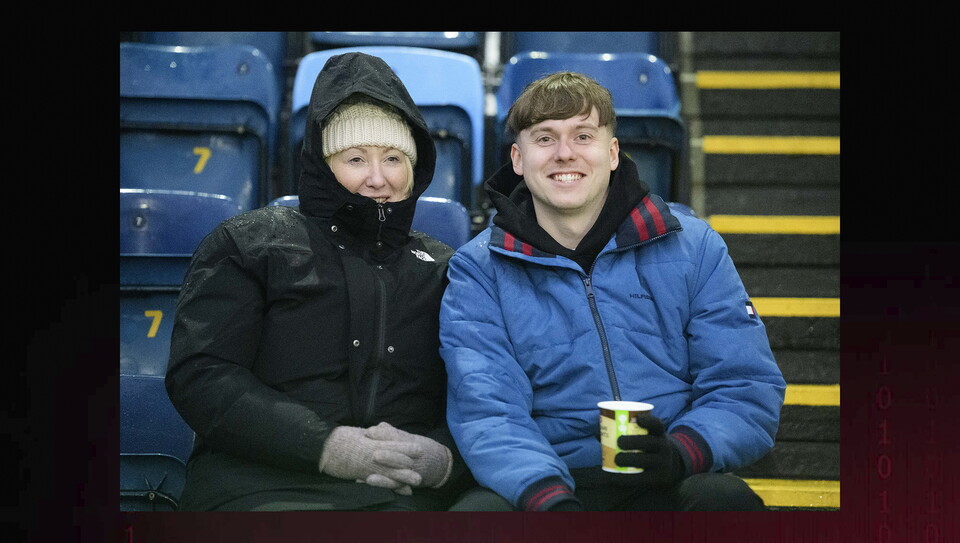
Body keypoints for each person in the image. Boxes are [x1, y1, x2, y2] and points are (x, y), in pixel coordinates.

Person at [439, 72, 786, 511]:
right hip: (546, 483)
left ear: (613, 152)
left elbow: (744, 384)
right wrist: (549, 500)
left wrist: (682, 452)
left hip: (671, 473)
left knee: (724, 501)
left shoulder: (695, 247)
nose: (565, 153)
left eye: (583, 135)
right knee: (477, 517)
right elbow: (487, 410)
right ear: (518, 159)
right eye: (544, 139)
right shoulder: (478, 268)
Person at [165, 52, 471, 511]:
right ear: (322, 165)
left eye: (393, 158)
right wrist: (325, 446)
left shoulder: (444, 268)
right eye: (355, 158)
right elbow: (203, 375)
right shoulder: (249, 245)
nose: (376, 178)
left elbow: (482, 391)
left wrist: (442, 459)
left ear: (415, 169)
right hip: (256, 486)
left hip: (400, 493)